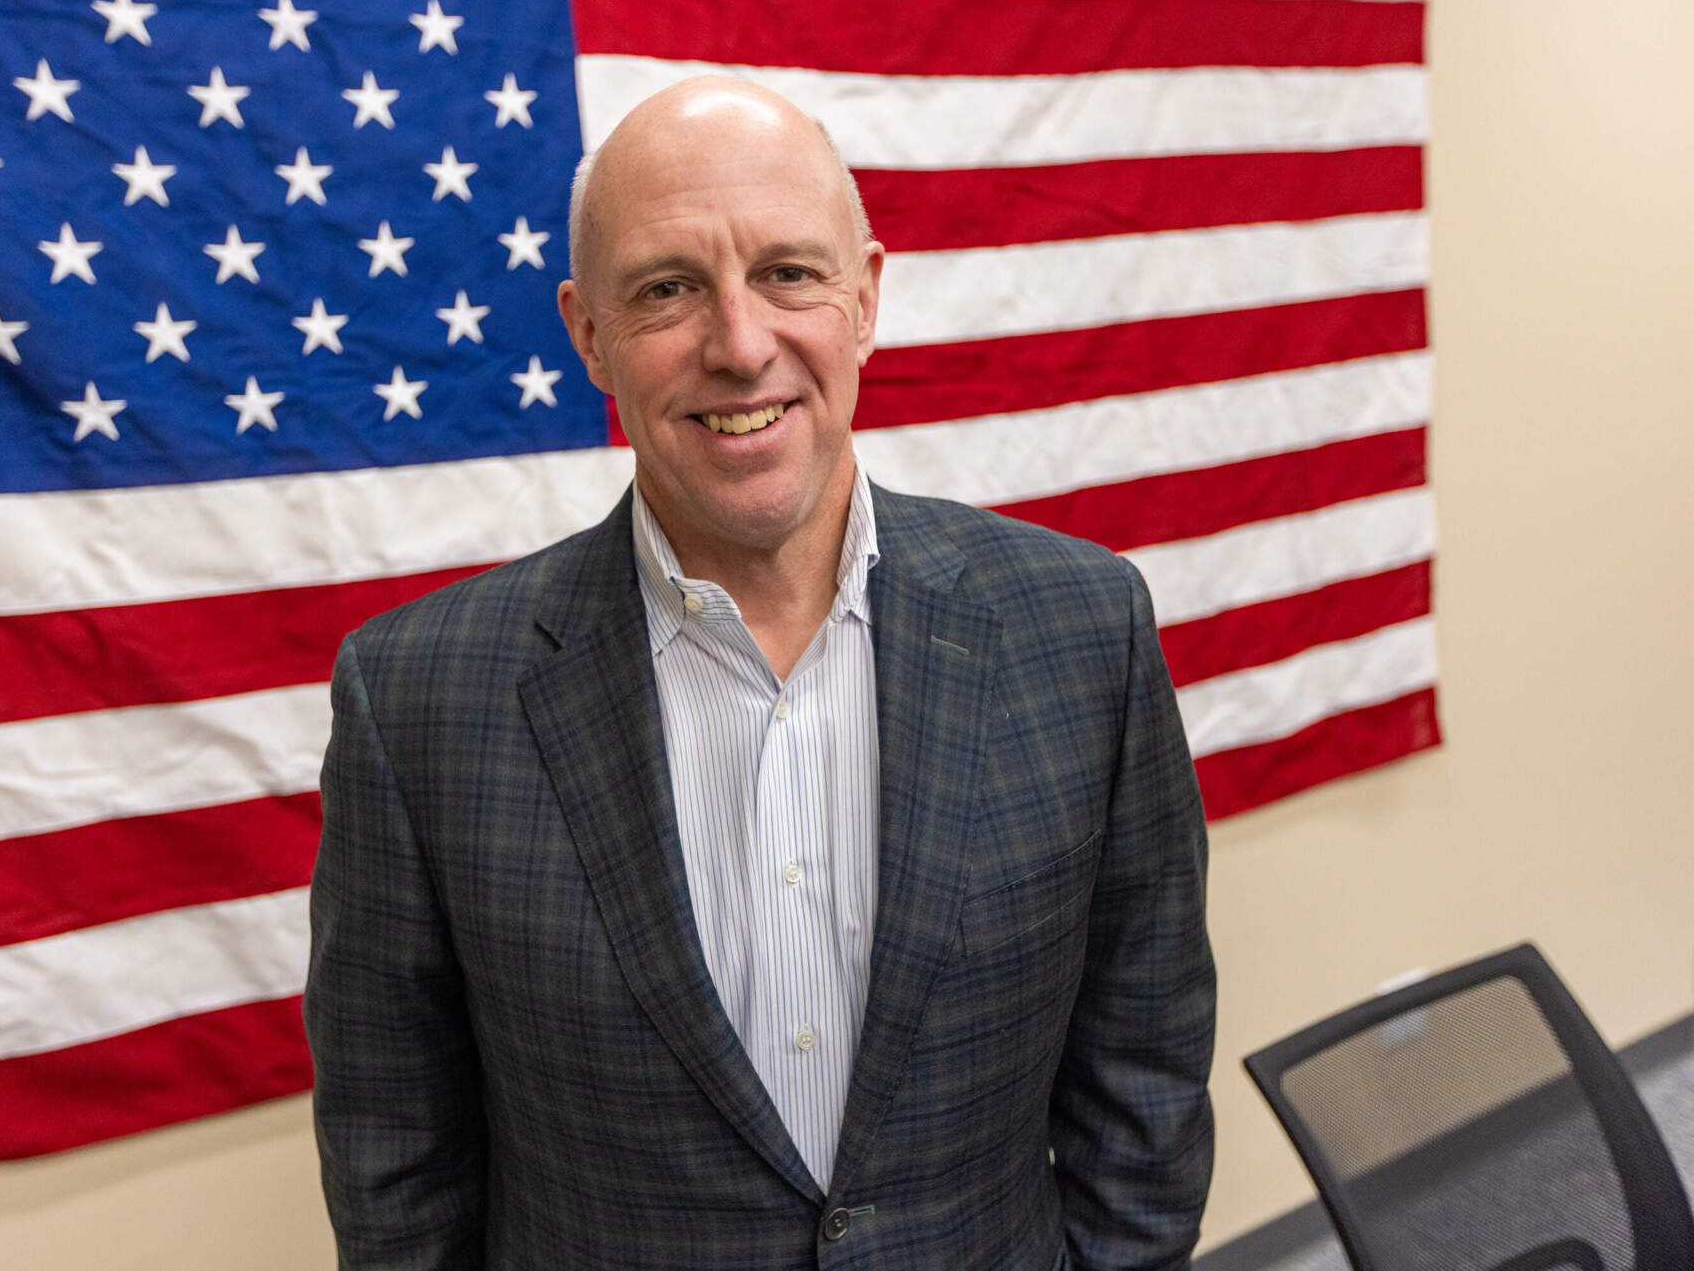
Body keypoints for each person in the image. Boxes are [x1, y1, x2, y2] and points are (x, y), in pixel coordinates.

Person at [306, 77, 1215, 1271]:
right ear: (588, 334)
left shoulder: (1083, 628)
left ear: (866, 299)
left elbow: (1142, 1081)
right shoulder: (416, 701)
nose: (740, 346)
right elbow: (395, 1159)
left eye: (789, 272)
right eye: (668, 289)